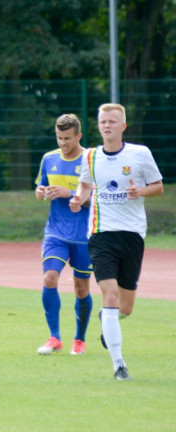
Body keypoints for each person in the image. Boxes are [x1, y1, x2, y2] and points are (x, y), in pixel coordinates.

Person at [69, 103, 163, 381]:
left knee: (126, 307)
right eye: (102, 121)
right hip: (101, 233)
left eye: (112, 121)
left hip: (132, 234)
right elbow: (85, 185)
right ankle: (119, 365)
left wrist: (141, 190)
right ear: (98, 126)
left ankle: (107, 318)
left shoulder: (140, 154)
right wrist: (79, 198)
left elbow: (158, 186)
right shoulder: (90, 156)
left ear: (123, 126)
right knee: (109, 295)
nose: (107, 125)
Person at [34, 114, 93, 356]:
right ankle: (54, 337)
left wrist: (69, 193)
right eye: (59, 138)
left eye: (68, 138)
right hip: (56, 233)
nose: (63, 143)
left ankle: (79, 339)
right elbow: (43, 186)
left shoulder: (91, 160)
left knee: (81, 288)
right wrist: (41, 192)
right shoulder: (49, 159)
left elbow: (98, 197)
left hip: (84, 236)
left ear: (78, 136)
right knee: (49, 278)